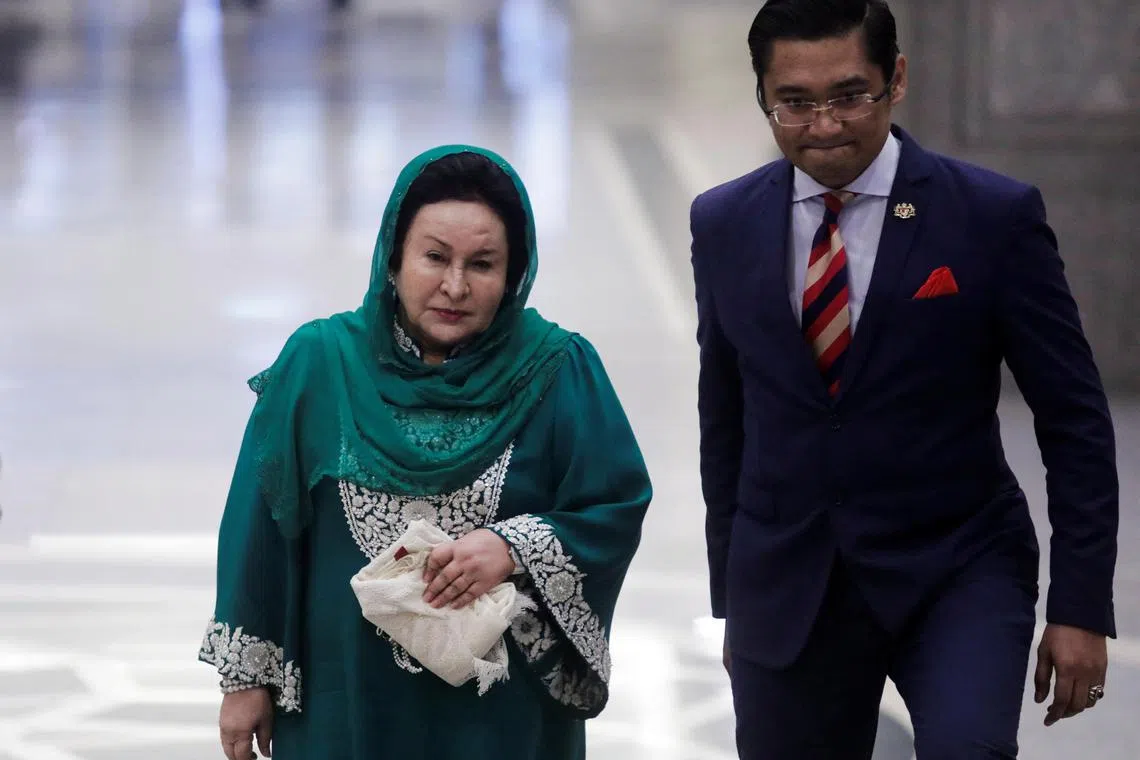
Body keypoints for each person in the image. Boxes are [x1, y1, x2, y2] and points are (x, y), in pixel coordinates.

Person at [688, 1, 1119, 758]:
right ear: (762, 96)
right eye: (794, 102)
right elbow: (726, 417)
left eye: (850, 95)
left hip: (956, 568)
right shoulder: (722, 222)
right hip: (791, 582)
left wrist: (1080, 605)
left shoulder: (992, 217)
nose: (824, 125)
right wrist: (736, 604)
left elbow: (1074, 417)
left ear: (898, 79)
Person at [199, 145, 652, 760]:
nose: (455, 286)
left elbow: (614, 505)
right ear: (394, 257)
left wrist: (513, 547)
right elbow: (261, 528)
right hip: (345, 701)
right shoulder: (320, 364)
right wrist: (246, 679)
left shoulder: (558, 370)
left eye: (483, 264)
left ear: (513, 273)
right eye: (434, 258)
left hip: (502, 714)